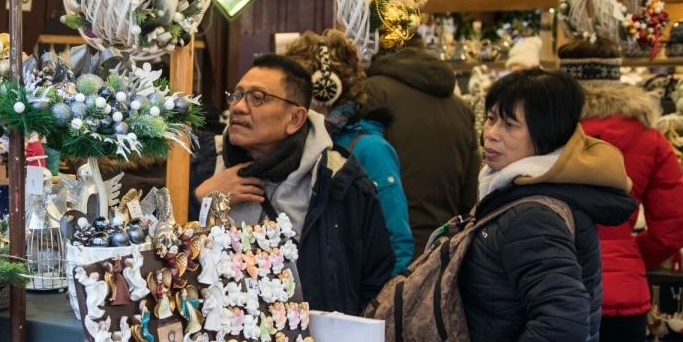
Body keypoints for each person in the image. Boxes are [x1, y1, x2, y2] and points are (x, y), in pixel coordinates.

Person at [459, 69, 635, 342]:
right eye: (491, 119)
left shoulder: (533, 213)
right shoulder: (515, 190)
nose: (491, 134)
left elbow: (564, 325)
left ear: (545, 135)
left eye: (510, 125)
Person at [194, 54, 395, 314]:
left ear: (295, 119)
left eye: (257, 98)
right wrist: (201, 199)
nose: (238, 107)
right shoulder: (205, 167)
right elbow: (166, 260)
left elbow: (376, 279)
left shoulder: (341, 182)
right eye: (237, 95)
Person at [565, 38, 683, 342]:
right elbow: (675, 226)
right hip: (623, 297)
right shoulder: (649, 138)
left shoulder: (549, 133)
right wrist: (631, 254)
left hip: (552, 286)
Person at [284, 30, 413, 272]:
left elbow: (397, 244)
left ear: (325, 89)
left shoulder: (370, 150)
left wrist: (375, 306)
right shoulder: (294, 143)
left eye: (295, 87)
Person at [365, 40, 481, 258]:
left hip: (389, 251)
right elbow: (471, 193)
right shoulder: (460, 107)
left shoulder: (373, 92)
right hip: (444, 248)